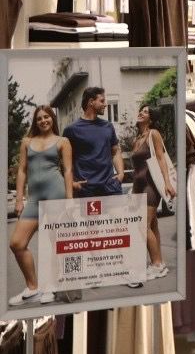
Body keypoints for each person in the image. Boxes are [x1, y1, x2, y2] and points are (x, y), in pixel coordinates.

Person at [8, 105, 72, 305]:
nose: (43, 121)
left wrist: (70, 200)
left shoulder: (63, 141)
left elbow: (68, 171)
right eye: (39, 118)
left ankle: (51, 286)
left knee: (54, 243)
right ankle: (32, 288)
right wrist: (19, 199)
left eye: (47, 117)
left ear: (53, 118)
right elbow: (22, 170)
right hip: (34, 198)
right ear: (35, 122)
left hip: (56, 193)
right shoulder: (27, 142)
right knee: (17, 243)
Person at [129, 105, 175, 281]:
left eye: (146, 111)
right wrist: (133, 190)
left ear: (151, 118)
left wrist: (167, 182)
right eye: (141, 110)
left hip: (151, 185)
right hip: (138, 185)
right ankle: (159, 262)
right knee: (152, 225)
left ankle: (156, 264)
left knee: (143, 225)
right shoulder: (136, 139)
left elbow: (161, 158)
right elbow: (136, 168)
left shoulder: (153, 134)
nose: (141, 112)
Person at [63, 86, 124, 197]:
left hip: (110, 187)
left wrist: (120, 174)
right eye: (102, 101)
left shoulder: (108, 126)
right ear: (91, 102)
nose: (105, 104)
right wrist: (72, 183)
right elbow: (64, 161)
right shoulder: (71, 130)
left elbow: (115, 151)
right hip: (86, 190)